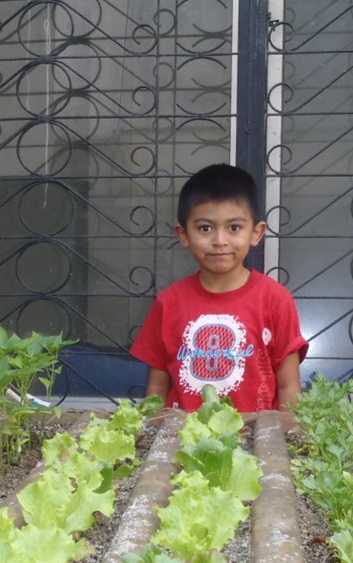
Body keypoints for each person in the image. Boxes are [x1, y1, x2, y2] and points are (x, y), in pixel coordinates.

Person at [130, 163, 307, 413]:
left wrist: (289, 441)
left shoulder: (275, 299)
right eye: (205, 228)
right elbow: (157, 389)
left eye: (234, 227)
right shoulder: (169, 302)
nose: (220, 241)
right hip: (181, 442)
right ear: (183, 234)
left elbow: (289, 388)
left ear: (256, 233)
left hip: (254, 442)